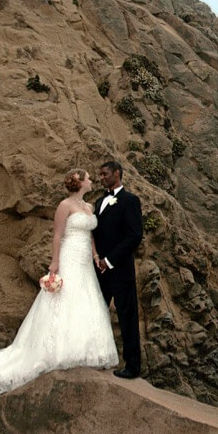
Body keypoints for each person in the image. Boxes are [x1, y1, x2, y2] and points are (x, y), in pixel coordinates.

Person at [0, 169, 118, 407]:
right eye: (88, 178)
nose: (91, 181)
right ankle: (57, 350)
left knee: (85, 298)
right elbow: (57, 236)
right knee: (65, 297)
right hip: (69, 256)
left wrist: (95, 255)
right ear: (79, 182)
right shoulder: (64, 206)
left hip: (84, 260)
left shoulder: (88, 207)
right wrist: (55, 262)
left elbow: (90, 235)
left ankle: (85, 349)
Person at [92, 161, 143, 379]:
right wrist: (97, 260)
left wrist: (109, 260)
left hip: (120, 270)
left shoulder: (130, 200)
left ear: (117, 174)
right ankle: (94, 357)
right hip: (98, 272)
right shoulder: (99, 201)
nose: (101, 177)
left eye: (105, 174)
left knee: (127, 318)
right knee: (96, 315)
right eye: (100, 174)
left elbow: (135, 236)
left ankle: (132, 366)